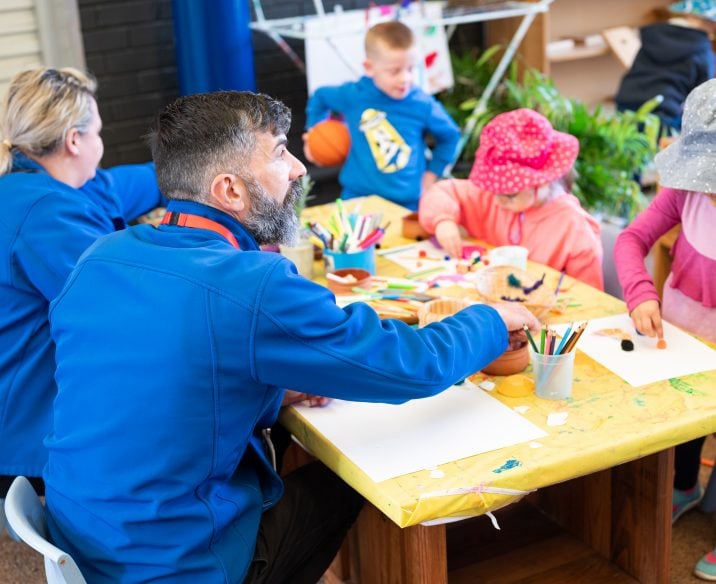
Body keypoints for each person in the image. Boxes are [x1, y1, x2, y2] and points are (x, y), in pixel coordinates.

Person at [43, 90, 539, 583]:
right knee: (359, 478)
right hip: (175, 566)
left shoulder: (101, 256)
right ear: (230, 190)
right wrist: (491, 320)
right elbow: (408, 364)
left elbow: (156, 379)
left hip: (86, 538)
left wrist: (273, 391)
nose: (300, 167)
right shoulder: (252, 284)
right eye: (280, 152)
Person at [0, 67, 163, 499]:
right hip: (26, 435)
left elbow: (131, 183)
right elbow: (128, 307)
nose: (102, 145)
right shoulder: (46, 213)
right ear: (75, 140)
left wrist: (195, 170)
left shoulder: (28, 187)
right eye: (99, 133)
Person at [614, 78, 716, 581]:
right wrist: (640, 293)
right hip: (681, 328)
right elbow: (631, 239)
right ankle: (683, 486)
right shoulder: (685, 193)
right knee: (681, 419)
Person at [419, 108, 604, 290]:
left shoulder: (574, 228)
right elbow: (441, 191)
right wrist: (442, 221)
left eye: (509, 195)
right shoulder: (489, 195)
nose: (498, 201)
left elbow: (590, 298)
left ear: (542, 183)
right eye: (494, 190)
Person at [304, 20, 460, 211]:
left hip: (409, 202)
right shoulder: (354, 95)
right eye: (395, 71)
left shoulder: (422, 103)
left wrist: (430, 177)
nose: (405, 78)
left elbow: (450, 136)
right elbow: (320, 97)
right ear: (369, 67)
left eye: (411, 68)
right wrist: (313, 133)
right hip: (358, 198)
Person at [615, 0, 716, 134]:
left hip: (625, 107)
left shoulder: (654, 35)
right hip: (665, 117)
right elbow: (705, 97)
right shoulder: (702, 49)